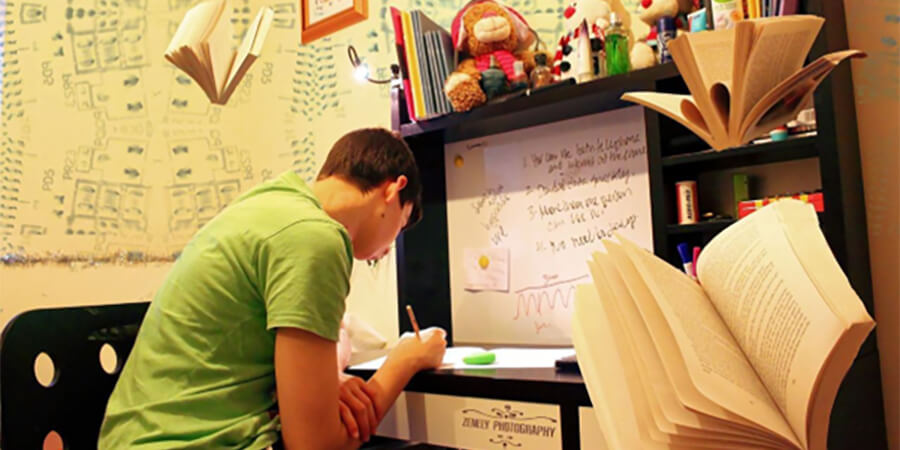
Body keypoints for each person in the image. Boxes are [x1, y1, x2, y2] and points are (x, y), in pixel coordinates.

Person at [99, 128, 448, 449]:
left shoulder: (271, 204)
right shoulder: (316, 238)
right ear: (393, 189)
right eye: (400, 226)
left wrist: (327, 383)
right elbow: (316, 447)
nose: (388, 251)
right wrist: (405, 360)